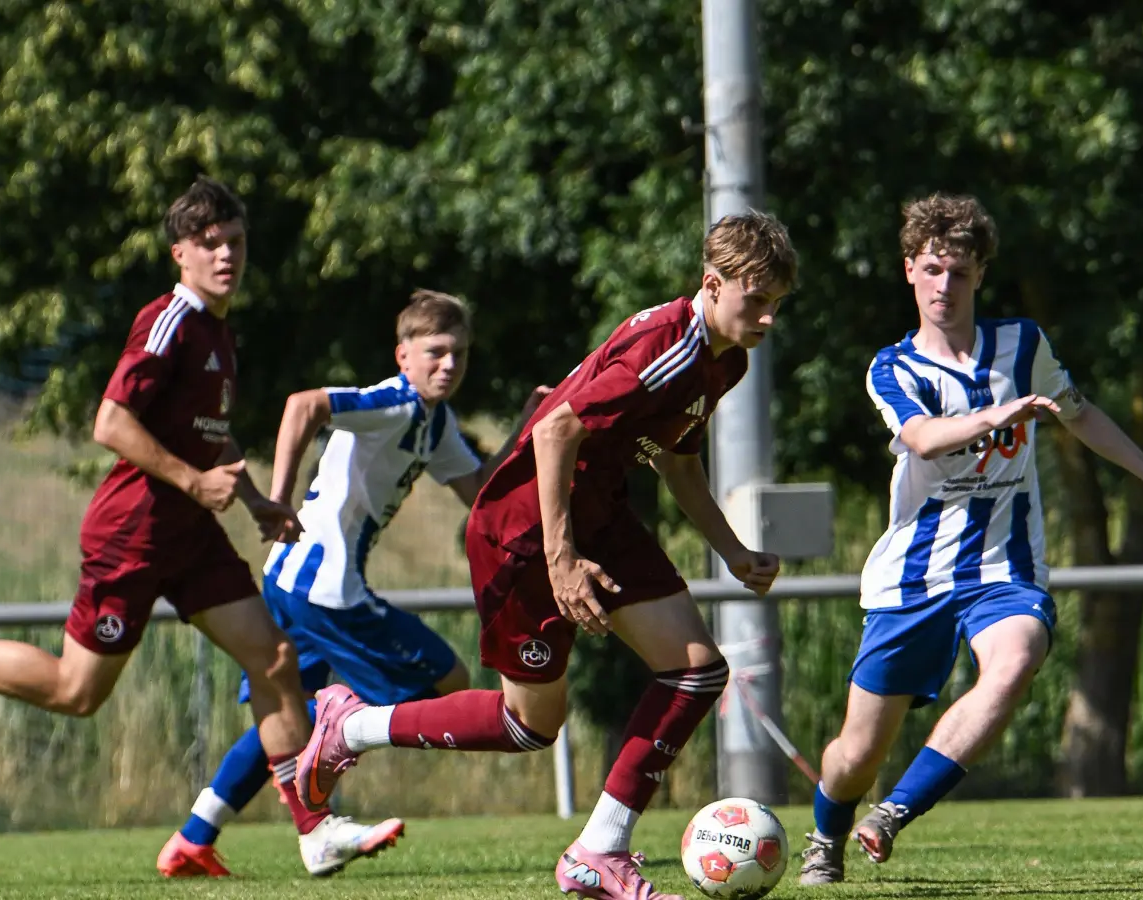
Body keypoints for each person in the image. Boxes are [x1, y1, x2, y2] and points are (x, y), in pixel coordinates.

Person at [0, 175, 393, 877]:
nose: (226, 256)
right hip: (133, 534)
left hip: (188, 537)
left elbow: (210, 437)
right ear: (179, 253)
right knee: (77, 692)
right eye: (209, 244)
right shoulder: (171, 321)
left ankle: (315, 831)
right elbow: (110, 422)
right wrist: (191, 481)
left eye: (236, 242)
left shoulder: (220, 333)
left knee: (274, 660)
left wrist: (252, 501)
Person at [291, 211, 798, 900]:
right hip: (526, 524)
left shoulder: (723, 358)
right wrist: (560, 558)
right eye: (757, 300)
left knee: (696, 673)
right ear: (713, 284)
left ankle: (598, 852)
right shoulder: (668, 347)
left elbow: (678, 461)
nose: (768, 319)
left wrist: (733, 551)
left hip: (600, 510)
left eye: (777, 304)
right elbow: (555, 430)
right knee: (526, 724)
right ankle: (351, 726)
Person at [797, 193, 1143, 885]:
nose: (946, 286)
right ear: (909, 270)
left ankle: (893, 813)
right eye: (934, 269)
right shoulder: (893, 368)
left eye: (961, 272)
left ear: (980, 276)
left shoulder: (1023, 344)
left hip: (1005, 565)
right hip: (912, 577)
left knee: (1018, 656)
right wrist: (996, 415)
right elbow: (920, 436)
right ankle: (825, 835)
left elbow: (1079, 413)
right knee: (856, 751)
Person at [157, 289, 550, 876]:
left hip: (293, 583)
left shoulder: (434, 422)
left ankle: (193, 837)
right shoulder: (392, 402)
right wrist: (278, 501)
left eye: (460, 355)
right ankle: (342, 738)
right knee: (446, 680)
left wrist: (526, 427)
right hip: (324, 589)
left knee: (289, 713)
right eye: (436, 352)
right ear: (403, 356)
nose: (449, 365)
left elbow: (482, 498)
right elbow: (302, 405)